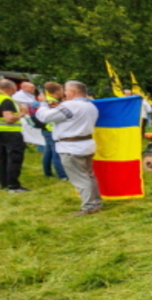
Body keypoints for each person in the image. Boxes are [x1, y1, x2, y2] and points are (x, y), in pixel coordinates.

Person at [34, 81, 102, 215]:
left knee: (80, 178)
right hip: (85, 143)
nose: (64, 93)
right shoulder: (90, 105)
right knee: (88, 176)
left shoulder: (70, 105)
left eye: (65, 91)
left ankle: (89, 206)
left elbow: (44, 117)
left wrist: (43, 104)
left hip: (71, 146)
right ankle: (95, 202)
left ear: (72, 92)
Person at [0, 79, 29, 192]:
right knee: (14, 158)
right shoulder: (7, 100)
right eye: (14, 90)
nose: (15, 93)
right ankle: (14, 185)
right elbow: (9, 118)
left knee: (3, 158)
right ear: (10, 88)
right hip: (10, 132)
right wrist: (22, 113)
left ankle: (5, 183)